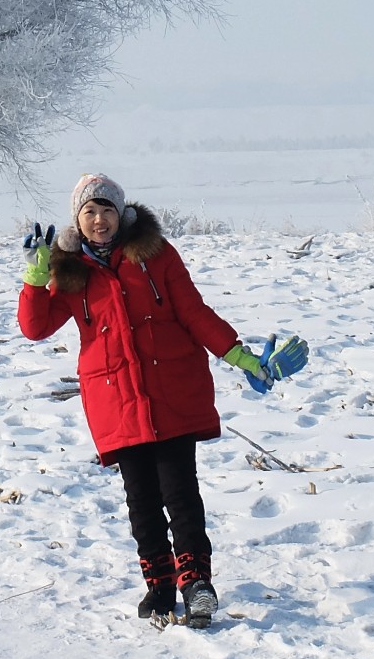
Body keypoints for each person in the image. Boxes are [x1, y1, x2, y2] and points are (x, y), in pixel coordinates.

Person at [18, 172, 307, 627]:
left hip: (172, 393)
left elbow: (194, 312)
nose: (99, 220)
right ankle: (159, 585)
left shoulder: (155, 256)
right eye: (89, 212)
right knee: (142, 502)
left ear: (122, 214)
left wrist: (241, 357)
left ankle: (197, 584)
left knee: (181, 493)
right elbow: (35, 328)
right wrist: (35, 279)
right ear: (78, 220)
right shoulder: (69, 272)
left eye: (107, 210)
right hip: (117, 403)